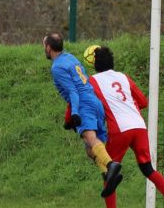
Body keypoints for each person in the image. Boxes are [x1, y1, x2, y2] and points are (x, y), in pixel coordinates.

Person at [88, 46, 164, 208]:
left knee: (108, 170)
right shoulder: (123, 77)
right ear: (112, 62)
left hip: (120, 129)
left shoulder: (93, 80)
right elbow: (143, 102)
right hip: (139, 126)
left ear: (94, 64)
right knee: (147, 168)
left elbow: (90, 104)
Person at [42, 33, 122, 198]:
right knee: (90, 147)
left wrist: (76, 113)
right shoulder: (70, 57)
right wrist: (70, 118)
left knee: (90, 138)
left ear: (49, 48)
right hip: (95, 101)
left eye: (44, 46)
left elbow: (72, 91)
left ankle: (110, 164)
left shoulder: (57, 67)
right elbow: (82, 80)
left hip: (84, 104)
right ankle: (107, 175)